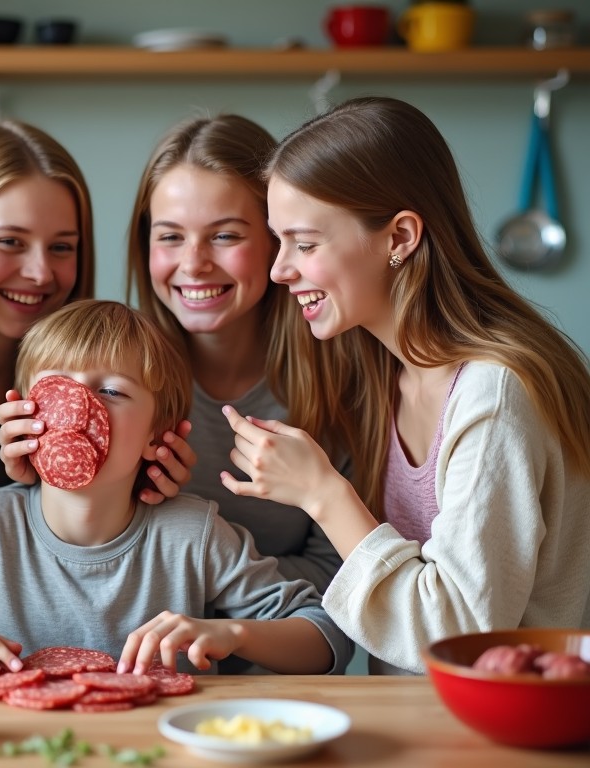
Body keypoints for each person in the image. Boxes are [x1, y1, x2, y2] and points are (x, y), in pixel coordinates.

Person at [220, 96, 590, 674]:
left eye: (306, 243)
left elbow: (462, 639)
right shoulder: (390, 372)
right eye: (279, 240)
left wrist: (322, 493)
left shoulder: (494, 395)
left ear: (400, 237)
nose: (279, 269)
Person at [0, 300, 352, 678]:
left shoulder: (193, 535)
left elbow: (327, 637)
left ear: (159, 433)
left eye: (111, 392)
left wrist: (230, 632)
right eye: (55, 387)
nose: (76, 411)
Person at [0, 115, 342, 593]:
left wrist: (196, 559)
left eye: (225, 235)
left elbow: (338, 576)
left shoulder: (339, 382)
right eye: (170, 236)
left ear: (275, 240)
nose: (194, 264)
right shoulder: (108, 381)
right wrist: (43, 485)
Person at [0, 120, 193, 583]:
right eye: (10, 241)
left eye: (62, 247)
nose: (40, 272)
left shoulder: (110, 391)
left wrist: (131, 495)